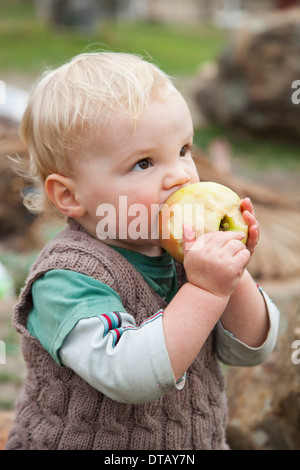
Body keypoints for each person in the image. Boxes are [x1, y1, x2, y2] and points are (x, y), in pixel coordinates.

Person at [6, 52, 279, 450]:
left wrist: (232, 273)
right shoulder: (67, 279)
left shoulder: (187, 256)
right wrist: (206, 291)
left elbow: (253, 348)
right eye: (143, 163)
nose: (181, 175)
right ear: (69, 194)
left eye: (184, 150)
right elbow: (130, 374)